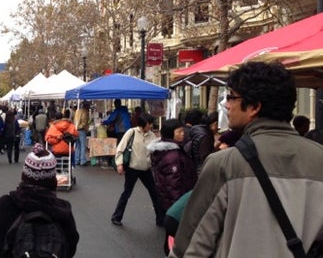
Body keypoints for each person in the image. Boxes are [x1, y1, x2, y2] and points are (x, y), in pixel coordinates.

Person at [170, 62, 323, 257]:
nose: (226, 104)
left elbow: (192, 245)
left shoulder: (225, 164)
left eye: (231, 97)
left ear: (254, 107)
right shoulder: (319, 159)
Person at [0, 143, 80, 257]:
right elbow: (71, 248)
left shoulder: (7, 204)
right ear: (53, 179)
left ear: (24, 176)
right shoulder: (62, 210)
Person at [147, 119, 197, 254]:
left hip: (168, 200)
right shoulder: (172, 156)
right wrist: (178, 206)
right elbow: (173, 184)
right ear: (170, 133)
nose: (183, 134)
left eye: (182, 131)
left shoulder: (169, 151)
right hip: (175, 200)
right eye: (179, 131)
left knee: (172, 234)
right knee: (176, 235)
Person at [110, 114, 164, 227]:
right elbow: (120, 148)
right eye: (149, 123)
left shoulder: (152, 135)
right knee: (126, 193)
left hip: (146, 169)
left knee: (155, 193)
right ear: (143, 124)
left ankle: (160, 219)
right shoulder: (132, 132)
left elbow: (156, 150)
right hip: (132, 168)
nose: (151, 126)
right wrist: (119, 164)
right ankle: (116, 217)